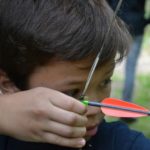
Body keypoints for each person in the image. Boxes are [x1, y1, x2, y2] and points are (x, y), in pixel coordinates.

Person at [0, 0, 149, 150]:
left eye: (105, 81)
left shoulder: (123, 144)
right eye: (72, 92)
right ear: (9, 85)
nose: (97, 109)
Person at [107, 0, 150, 123]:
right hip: (130, 27)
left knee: (103, 64)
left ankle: (123, 110)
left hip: (116, 25)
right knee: (129, 70)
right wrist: (144, 22)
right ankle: (124, 110)